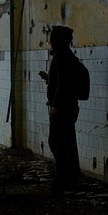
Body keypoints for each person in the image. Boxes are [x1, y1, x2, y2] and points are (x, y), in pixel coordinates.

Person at [38, 25, 82, 193]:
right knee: (68, 142)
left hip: (61, 109)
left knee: (57, 143)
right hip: (69, 107)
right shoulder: (68, 57)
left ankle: (62, 178)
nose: (50, 42)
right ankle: (71, 177)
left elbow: (63, 85)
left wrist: (55, 105)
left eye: (52, 38)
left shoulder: (60, 57)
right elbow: (64, 82)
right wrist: (50, 79)